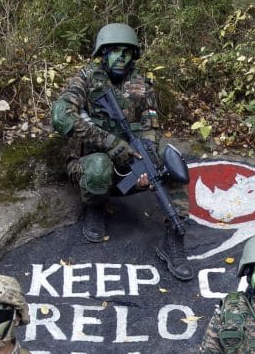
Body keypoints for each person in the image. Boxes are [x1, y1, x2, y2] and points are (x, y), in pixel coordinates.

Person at [50, 22, 193, 281]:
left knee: (169, 157)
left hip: (130, 163)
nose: (121, 57)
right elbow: (61, 116)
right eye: (115, 50)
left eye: (127, 52)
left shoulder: (142, 85)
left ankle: (175, 232)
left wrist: (148, 160)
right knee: (98, 167)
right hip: (90, 162)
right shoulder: (85, 79)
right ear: (102, 53)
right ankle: (95, 206)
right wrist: (109, 143)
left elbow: (151, 127)